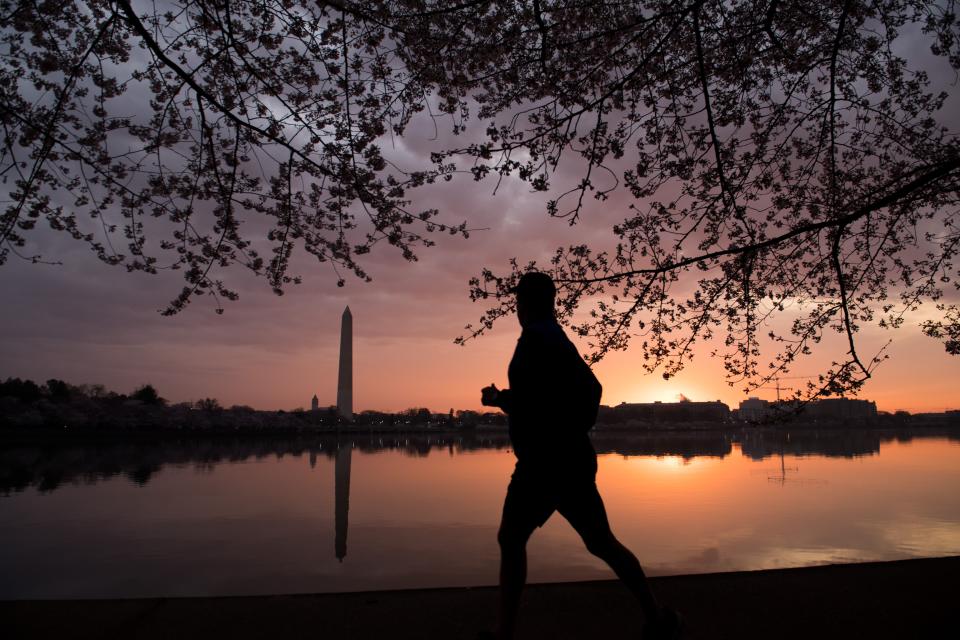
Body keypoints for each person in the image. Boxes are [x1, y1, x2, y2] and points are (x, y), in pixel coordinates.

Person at [480, 271, 681, 640]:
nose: (516, 308)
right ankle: (656, 616)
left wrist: (507, 403)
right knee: (600, 542)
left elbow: (550, 399)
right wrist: (566, 426)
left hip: (543, 464)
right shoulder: (552, 338)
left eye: (519, 301)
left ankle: (505, 632)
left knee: (513, 539)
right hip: (566, 460)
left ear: (525, 304)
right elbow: (564, 395)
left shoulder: (539, 339)